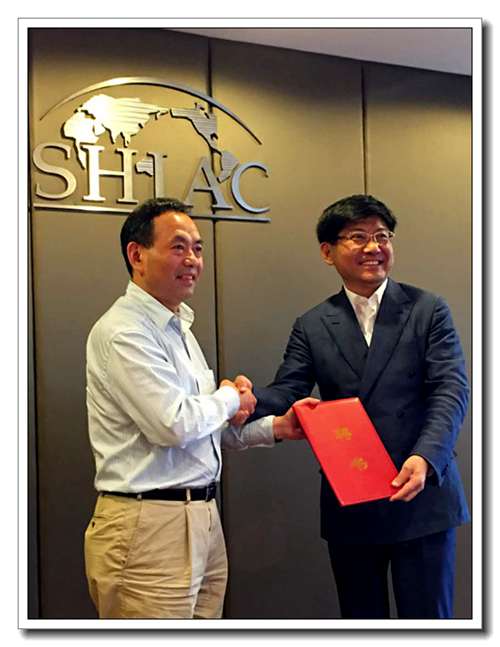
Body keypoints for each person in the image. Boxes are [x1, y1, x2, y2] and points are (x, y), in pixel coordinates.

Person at [84, 197, 310, 619]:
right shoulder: (124, 332)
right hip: (147, 526)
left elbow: (202, 431)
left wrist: (277, 427)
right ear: (137, 255)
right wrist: (231, 398)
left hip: (201, 518)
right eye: (178, 247)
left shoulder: (178, 328)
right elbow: (174, 424)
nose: (192, 259)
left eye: (198, 248)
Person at [252, 194, 470, 619]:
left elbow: (451, 389)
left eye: (382, 236)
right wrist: (245, 397)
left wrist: (426, 457)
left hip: (421, 493)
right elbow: (287, 390)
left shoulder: (427, 309)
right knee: (361, 621)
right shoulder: (313, 323)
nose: (374, 247)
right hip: (352, 496)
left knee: (429, 625)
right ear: (327, 252)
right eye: (358, 237)